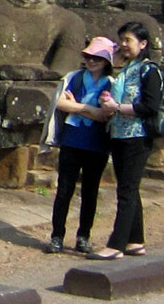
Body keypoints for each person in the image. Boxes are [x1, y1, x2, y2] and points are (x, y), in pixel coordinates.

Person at [91, 21, 164, 260]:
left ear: (143, 44)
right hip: (120, 134)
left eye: (129, 40)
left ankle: (116, 244)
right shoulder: (126, 70)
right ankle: (135, 240)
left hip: (138, 135)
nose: (123, 45)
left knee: (127, 190)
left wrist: (118, 107)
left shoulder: (149, 70)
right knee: (129, 189)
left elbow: (150, 106)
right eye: (121, 40)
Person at [46, 36, 116, 253]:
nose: (92, 61)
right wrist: (88, 109)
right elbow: (58, 103)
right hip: (72, 140)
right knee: (64, 190)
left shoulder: (112, 84)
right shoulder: (73, 77)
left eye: (97, 57)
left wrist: (75, 105)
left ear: (106, 61)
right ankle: (57, 236)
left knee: (90, 191)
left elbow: (107, 115)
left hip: (97, 143)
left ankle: (83, 235)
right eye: (88, 56)